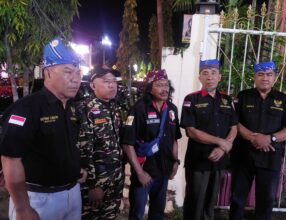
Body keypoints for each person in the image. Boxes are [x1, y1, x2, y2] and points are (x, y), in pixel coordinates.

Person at [0, 37, 86, 220]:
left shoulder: (72, 107)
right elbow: (10, 159)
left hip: (73, 192)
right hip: (38, 199)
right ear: (47, 73)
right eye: (68, 72)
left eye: (78, 73)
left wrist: (74, 168)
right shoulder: (26, 108)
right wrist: (22, 209)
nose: (75, 79)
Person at [229, 61, 286, 220]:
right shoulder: (243, 96)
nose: (264, 78)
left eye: (268, 75)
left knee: (266, 200)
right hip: (243, 155)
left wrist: (270, 138)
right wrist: (255, 139)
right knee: (237, 198)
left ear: (274, 78)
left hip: (270, 157)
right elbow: (234, 123)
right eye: (260, 74)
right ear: (255, 77)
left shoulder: (283, 100)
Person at [180, 59, 237, 220]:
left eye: (213, 73)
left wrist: (224, 147)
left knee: (211, 202)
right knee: (195, 202)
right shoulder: (191, 99)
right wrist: (220, 142)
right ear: (200, 78)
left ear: (219, 77)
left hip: (219, 161)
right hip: (198, 161)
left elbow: (234, 127)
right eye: (205, 73)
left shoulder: (227, 100)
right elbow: (191, 131)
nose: (209, 77)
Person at [121, 69, 182, 220]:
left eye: (166, 85)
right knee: (137, 213)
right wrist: (140, 173)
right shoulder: (138, 109)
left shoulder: (172, 109)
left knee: (157, 213)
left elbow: (174, 139)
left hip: (164, 171)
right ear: (149, 87)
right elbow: (127, 144)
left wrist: (175, 162)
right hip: (144, 171)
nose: (164, 89)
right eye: (159, 85)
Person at [78, 65, 124, 219]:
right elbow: (84, 149)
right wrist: (92, 185)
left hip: (115, 177)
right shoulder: (86, 109)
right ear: (92, 85)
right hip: (97, 181)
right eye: (105, 81)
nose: (112, 85)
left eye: (114, 81)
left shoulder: (113, 108)